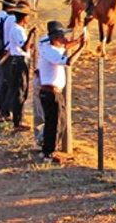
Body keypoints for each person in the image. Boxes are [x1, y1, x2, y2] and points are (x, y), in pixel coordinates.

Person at [36, 21, 85, 163]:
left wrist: (77, 41)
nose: (65, 39)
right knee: (55, 123)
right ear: (56, 38)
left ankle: (48, 149)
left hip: (51, 92)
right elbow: (69, 61)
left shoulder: (47, 46)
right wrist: (81, 47)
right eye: (62, 36)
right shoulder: (51, 51)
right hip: (52, 93)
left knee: (58, 122)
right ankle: (49, 153)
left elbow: (64, 47)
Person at [1, 1, 35, 130]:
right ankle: (17, 122)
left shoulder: (17, 29)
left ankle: (14, 118)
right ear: (24, 17)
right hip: (20, 62)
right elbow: (25, 48)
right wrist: (31, 34)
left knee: (18, 90)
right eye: (27, 16)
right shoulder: (18, 30)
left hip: (18, 60)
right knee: (20, 92)